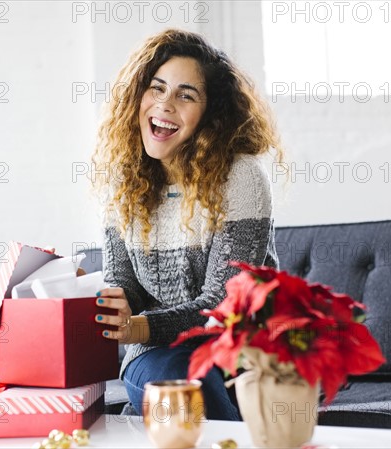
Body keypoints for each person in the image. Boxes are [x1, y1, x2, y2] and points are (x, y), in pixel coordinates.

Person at [91, 28, 284, 421]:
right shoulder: (122, 182)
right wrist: (110, 305)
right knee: (179, 382)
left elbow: (223, 305)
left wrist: (139, 328)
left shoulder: (240, 178)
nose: (165, 105)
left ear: (210, 114)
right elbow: (123, 283)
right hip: (162, 354)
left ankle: (146, 416)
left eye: (185, 95)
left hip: (238, 349)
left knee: (183, 393)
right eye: (156, 88)